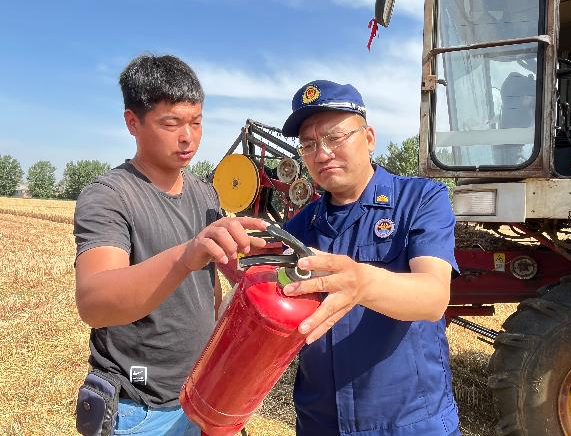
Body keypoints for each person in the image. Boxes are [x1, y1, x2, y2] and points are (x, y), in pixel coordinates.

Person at [73, 54, 267, 436]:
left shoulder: (205, 193)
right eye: (171, 123)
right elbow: (95, 303)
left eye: (196, 122)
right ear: (133, 122)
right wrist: (185, 255)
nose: (188, 137)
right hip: (140, 409)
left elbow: (212, 284)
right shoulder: (110, 196)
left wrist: (257, 261)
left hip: (205, 394)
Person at [280, 80, 461, 435]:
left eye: (334, 137)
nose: (322, 153)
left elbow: (433, 297)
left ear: (369, 137)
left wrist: (362, 283)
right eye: (309, 144)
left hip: (408, 422)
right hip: (320, 423)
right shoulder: (299, 228)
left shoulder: (421, 200)